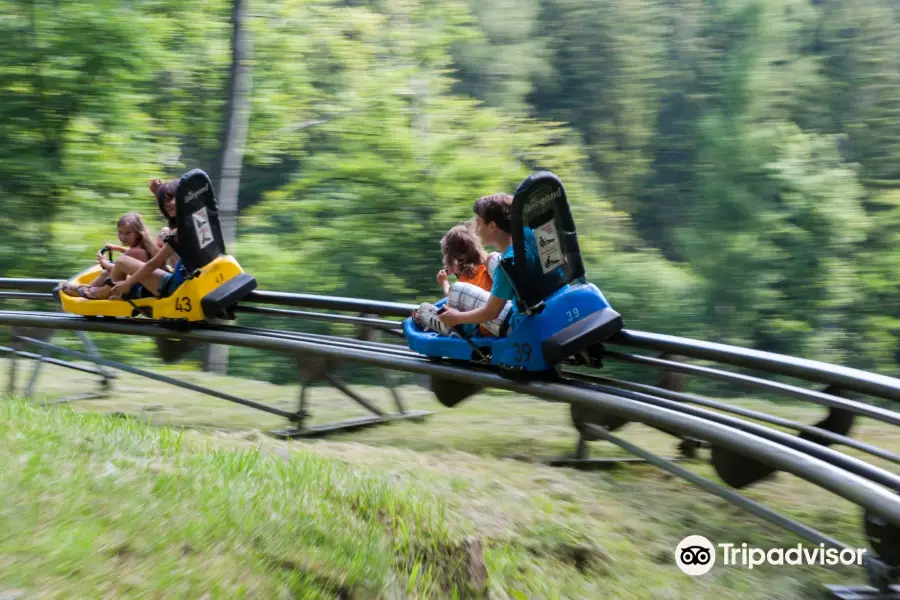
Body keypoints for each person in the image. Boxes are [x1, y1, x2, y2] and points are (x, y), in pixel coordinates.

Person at [415, 192, 544, 337]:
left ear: (492, 226)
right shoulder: (529, 236)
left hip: (517, 324)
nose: (476, 229)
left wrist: (457, 317)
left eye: (479, 222)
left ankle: (448, 327)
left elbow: (491, 312)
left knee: (456, 289)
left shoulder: (507, 265)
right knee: (493, 257)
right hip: (541, 306)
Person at [415, 222, 502, 337]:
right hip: (497, 320)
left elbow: (454, 298)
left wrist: (444, 283)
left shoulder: (464, 281)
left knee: (424, 308)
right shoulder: (487, 268)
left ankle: (450, 330)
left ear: (454, 259)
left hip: (479, 328)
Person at [59, 212, 161, 299]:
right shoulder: (144, 246)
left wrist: (103, 262)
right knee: (106, 272)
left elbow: (118, 267)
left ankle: (85, 292)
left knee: (107, 272)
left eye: (128, 233)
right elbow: (132, 258)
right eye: (120, 232)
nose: (122, 237)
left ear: (138, 234)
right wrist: (117, 248)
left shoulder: (137, 251)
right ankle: (87, 290)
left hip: (139, 289)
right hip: (143, 285)